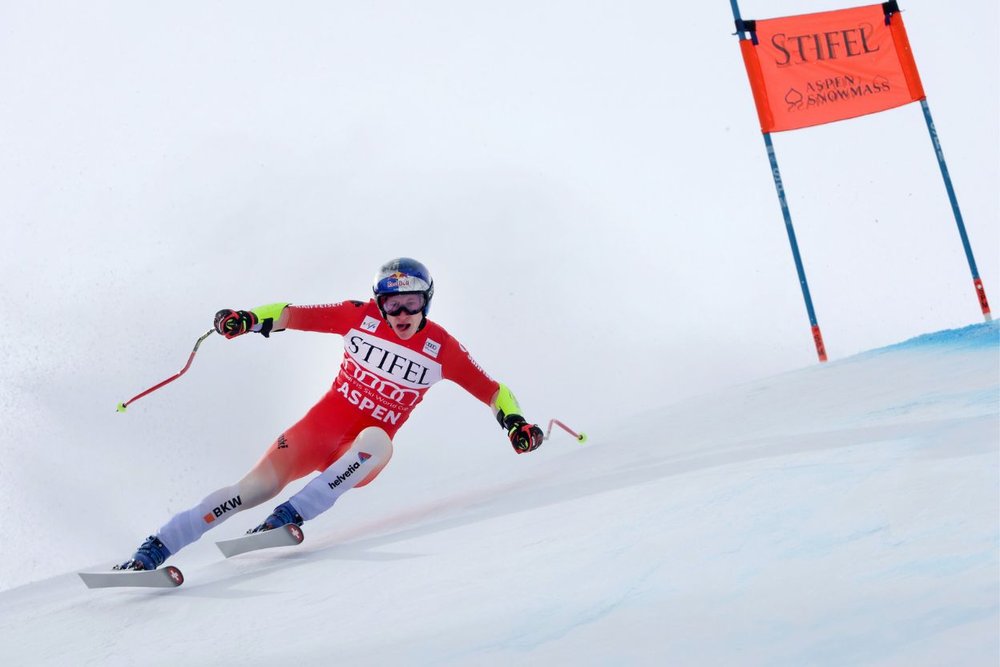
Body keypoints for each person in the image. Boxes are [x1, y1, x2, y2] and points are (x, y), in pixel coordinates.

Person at [115, 257, 544, 571]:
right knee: (250, 489)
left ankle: (290, 515)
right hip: (317, 431)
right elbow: (290, 315)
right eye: (391, 305)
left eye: (411, 303)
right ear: (379, 303)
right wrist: (246, 319)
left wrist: (515, 423)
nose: (402, 315)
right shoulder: (357, 317)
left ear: (426, 303)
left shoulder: (441, 348)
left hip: (357, 453)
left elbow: (494, 391)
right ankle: (152, 550)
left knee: (378, 440)